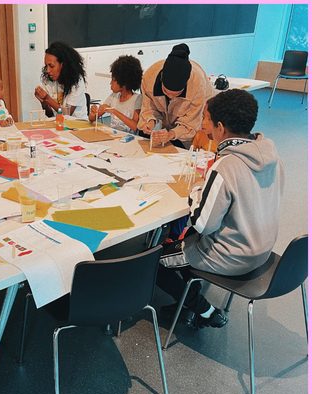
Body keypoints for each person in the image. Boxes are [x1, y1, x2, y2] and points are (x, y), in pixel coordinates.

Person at [158, 89, 285, 328]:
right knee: (186, 244)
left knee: (153, 262)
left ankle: (205, 311)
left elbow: (202, 223)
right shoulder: (273, 158)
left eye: (206, 119)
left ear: (220, 126)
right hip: (262, 250)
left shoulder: (225, 166)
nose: (203, 124)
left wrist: (198, 187)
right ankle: (188, 304)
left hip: (231, 256)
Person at [138, 43, 215, 149]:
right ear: (161, 77)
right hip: (169, 123)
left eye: (177, 94)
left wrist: (171, 134)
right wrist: (150, 122)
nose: (171, 97)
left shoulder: (197, 84)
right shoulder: (149, 77)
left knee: (183, 153)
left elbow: (191, 123)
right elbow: (148, 108)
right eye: (166, 91)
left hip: (190, 129)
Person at [88, 55, 143, 133]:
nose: (110, 83)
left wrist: (115, 111)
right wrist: (93, 113)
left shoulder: (137, 99)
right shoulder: (113, 96)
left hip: (128, 140)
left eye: (113, 80)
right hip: (113, 137)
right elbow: (92, 119)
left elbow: (135, 127)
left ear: (124, 83)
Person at [34, 41, 87, 120]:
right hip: (58, 124)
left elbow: (67, 114)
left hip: (77, 124)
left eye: (51, 66)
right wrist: (43, 101)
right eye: (46, 66)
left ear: (63, 65)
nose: (48, 70)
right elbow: (49, 114)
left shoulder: (76, 81)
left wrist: (47, 98)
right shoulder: (48, 80)